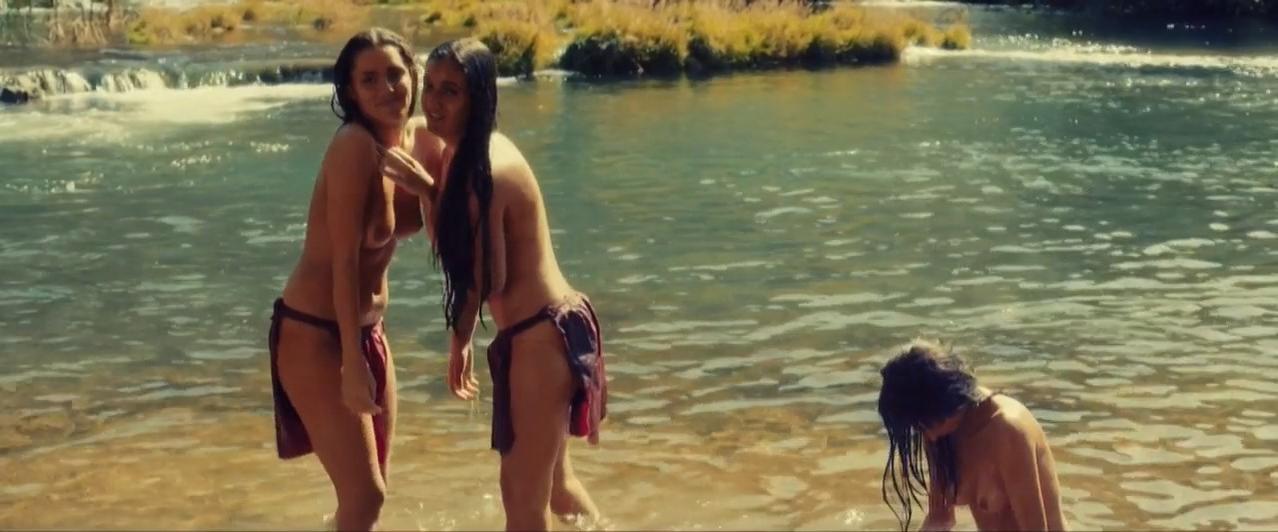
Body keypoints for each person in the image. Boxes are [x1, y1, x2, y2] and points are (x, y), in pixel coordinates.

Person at [398, 38, 607, 530]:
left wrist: (460, 342)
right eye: (430, 86)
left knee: (521, 496)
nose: (434, 102)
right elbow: (407, 130)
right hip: (550, 326)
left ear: (478, 98)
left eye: (451, 91)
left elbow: (489, 275)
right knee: (556, 487)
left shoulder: (483, 169)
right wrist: (423, 184)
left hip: (542, 335)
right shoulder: (463, 148)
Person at [267, 28, 437, 531]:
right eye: (370, 80)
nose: (387, 89)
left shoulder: (417, 140)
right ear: (350, 92)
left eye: (395, 74)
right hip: (317, 335)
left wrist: (430, 189)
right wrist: (350, 362)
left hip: (368, 331)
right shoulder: (354, 147)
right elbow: (344, 261)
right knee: (365, 496)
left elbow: (454, 229)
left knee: (368, 496)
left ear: (414, 77)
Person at [877, 340, 1067, 531]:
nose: (928, 437)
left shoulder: (1007, 430)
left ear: (943, 402)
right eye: (918, 428)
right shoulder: (941, 433)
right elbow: (940, 518)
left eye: (924, 425)